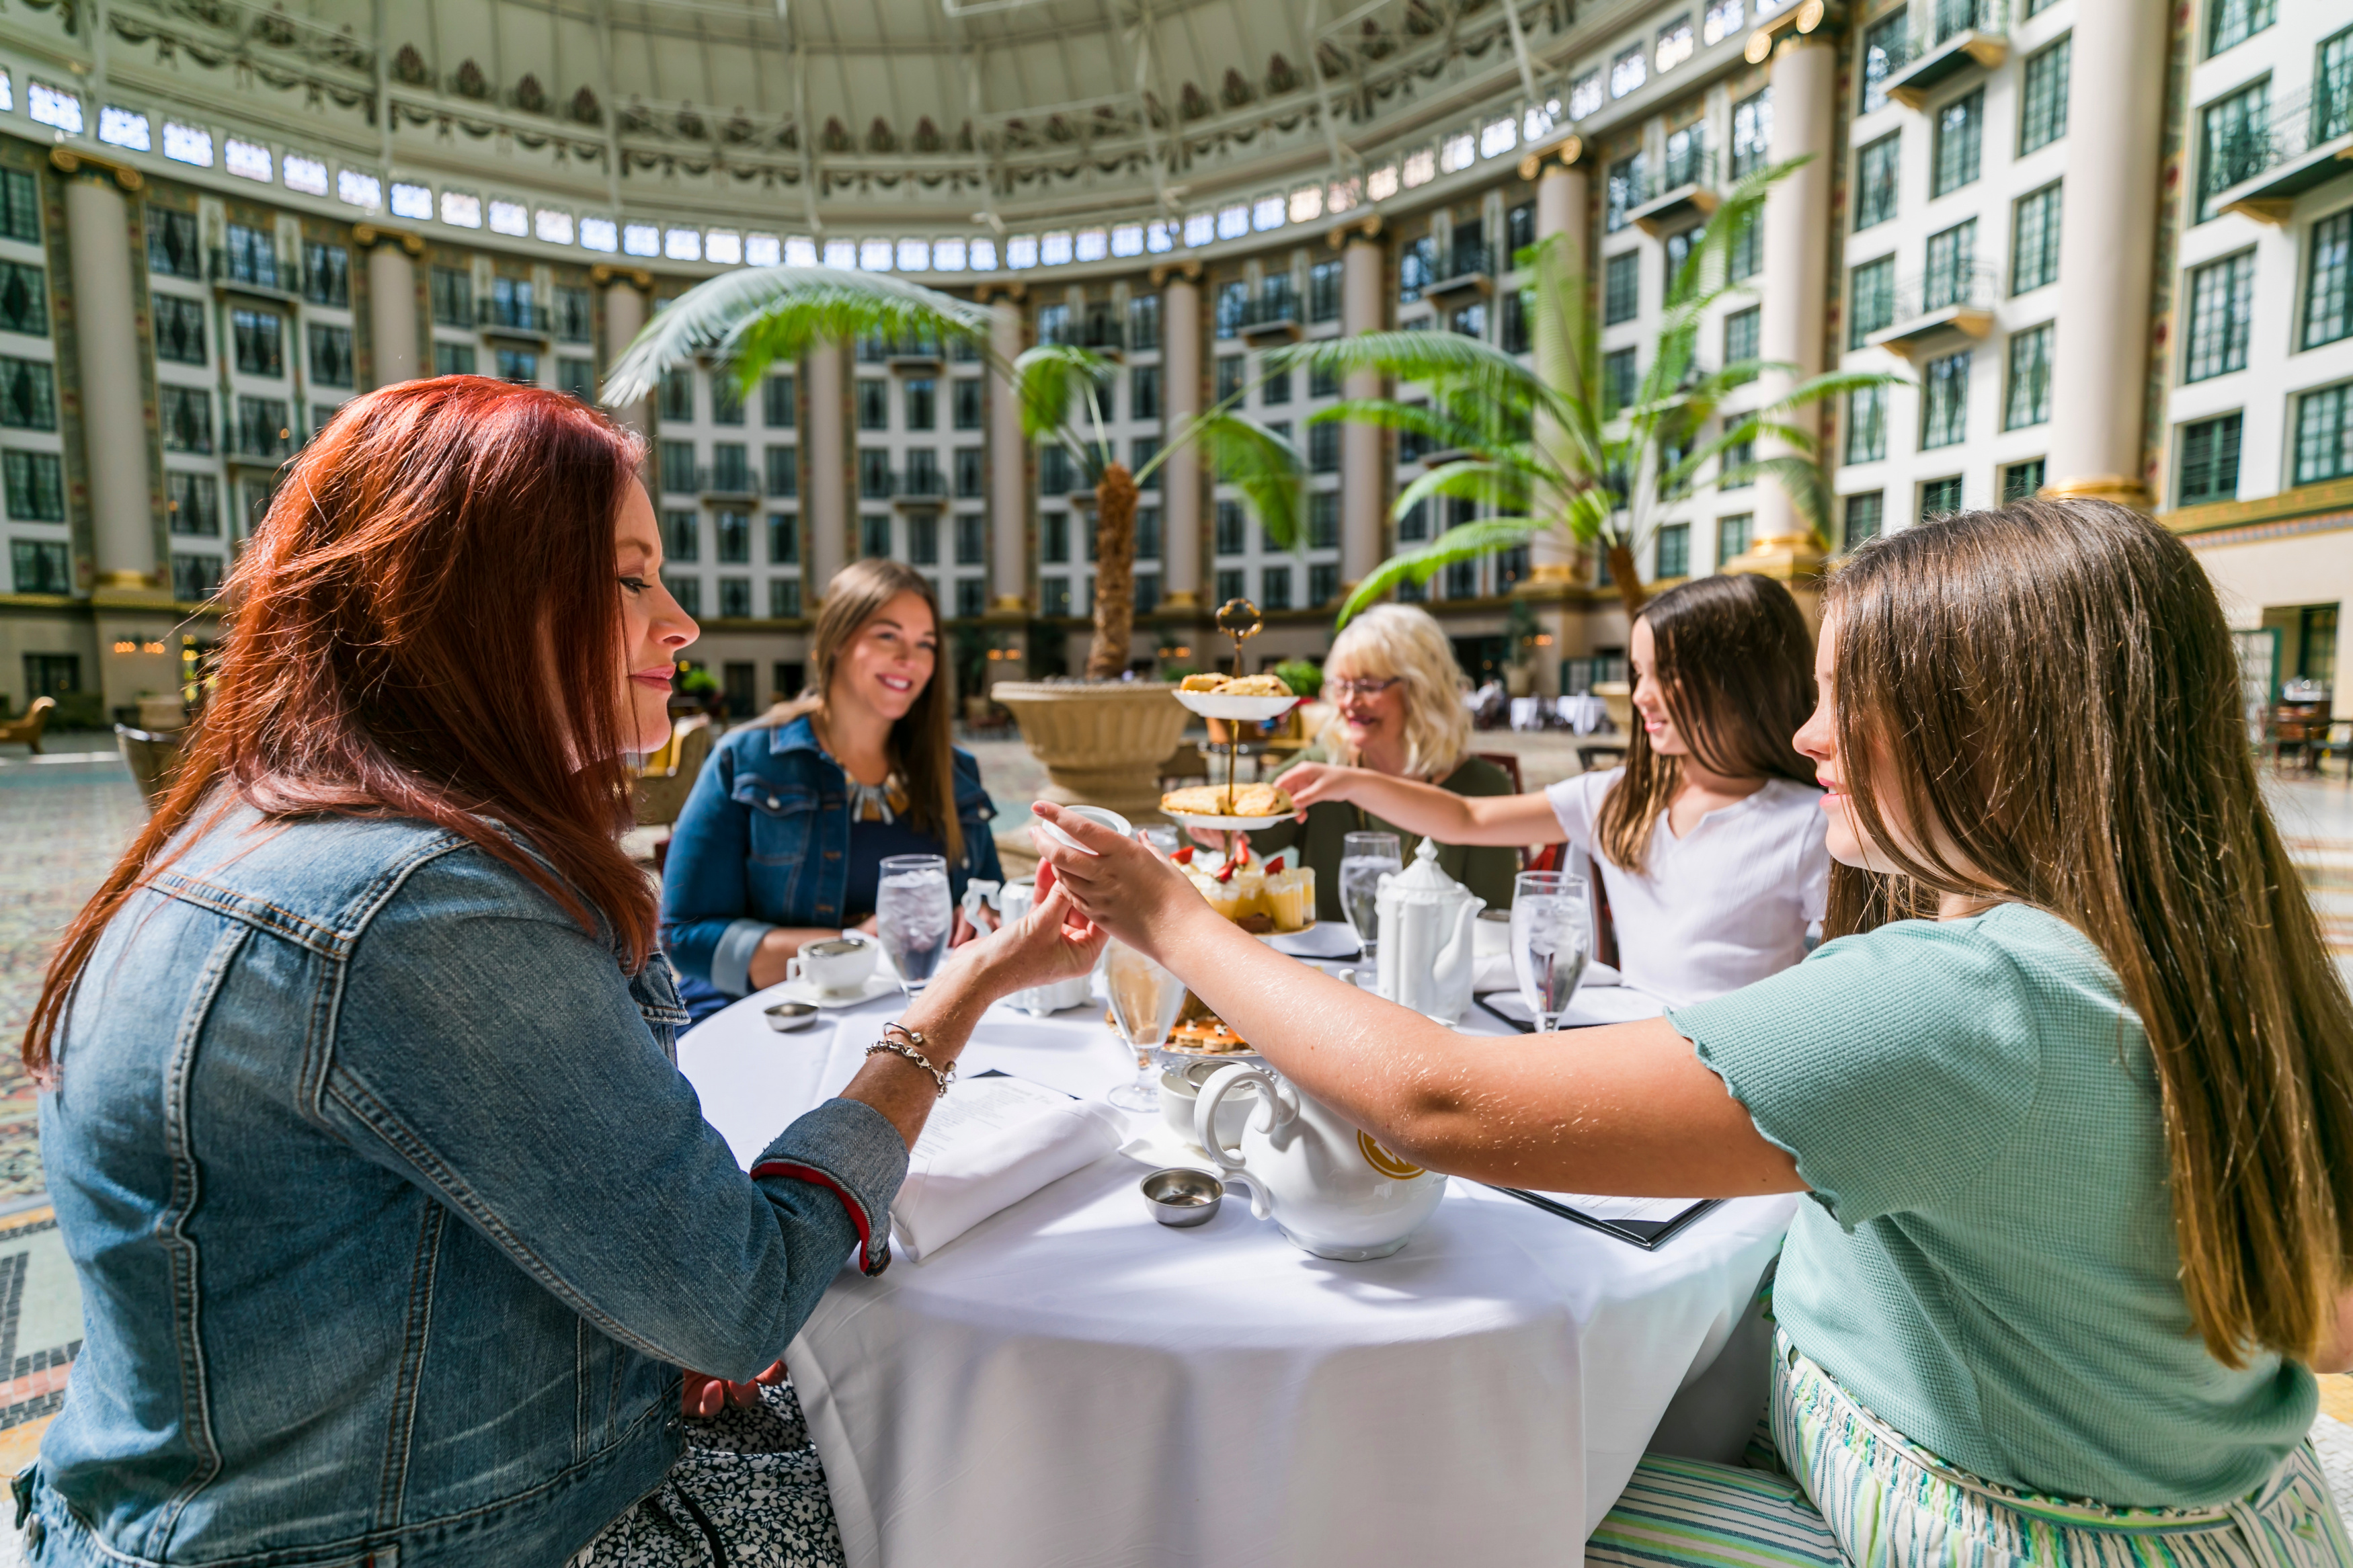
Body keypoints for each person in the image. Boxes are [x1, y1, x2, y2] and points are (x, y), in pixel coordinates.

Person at [1032, 499, 2353, 1567]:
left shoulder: (1960, 999)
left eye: (1847, 696)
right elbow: (2332, 1322)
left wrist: (1176, 917)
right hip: (2244, 1515)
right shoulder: (2213, 951)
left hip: (2001, 1526)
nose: (1805, 732)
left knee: (1421, 1499)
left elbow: (1444, 1104)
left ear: (1980, 727)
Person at [19, 378, 1107, 1568]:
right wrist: (953, 1004)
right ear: (471, 598)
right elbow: (738, 1293)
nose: (681, 622)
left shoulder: (238, 832)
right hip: (424, 1534)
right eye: (631, 577)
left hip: (192, 1509)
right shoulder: (428, 907)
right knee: (959, 1470)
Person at [1281, 575, 1824, 1004]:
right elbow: (1466, 819)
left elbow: (1842, 982)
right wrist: (1348, 780)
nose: (1641, 696)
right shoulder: (1621, 797)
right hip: (1626, 1042)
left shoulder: (1808, 824)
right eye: (1638, 673)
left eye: (1667, 674)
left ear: (1744, 680)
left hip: (1733, 1071)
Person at [662, 558, 1004, 1023]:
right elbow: (686, 938)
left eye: (926, 644)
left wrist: (985, 916)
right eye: (888, 636)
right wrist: (853, 946)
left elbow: (990, 898)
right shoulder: (745, 759)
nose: (911, 659)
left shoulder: (956, 771)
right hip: (772, 1020)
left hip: (920, 1018)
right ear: (837, 641)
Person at [1244, 604, 1519, 921]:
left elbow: (1493, 923)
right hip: (1322, 970)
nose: (1349, 702)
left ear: (1421, 690)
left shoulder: (1483, 787)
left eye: (1367, 686)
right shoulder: (1317, 769)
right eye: (1341, 685)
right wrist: (1215, 829)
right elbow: (1233, 841)